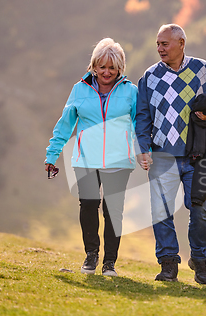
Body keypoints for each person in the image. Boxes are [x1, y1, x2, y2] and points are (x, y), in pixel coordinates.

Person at [135, 24, 206, 284]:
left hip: (197, 155)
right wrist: (144, 148)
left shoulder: (202, 70)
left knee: (201, 210)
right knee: (160, 212)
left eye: (165, 44)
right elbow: (142, 117)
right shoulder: (150, 76)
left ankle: (199, 259)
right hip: (162, 155)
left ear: (181, 43)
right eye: (158, 44)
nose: (160, 48)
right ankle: (168, 263)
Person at [44, 38, 137, 276]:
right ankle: (91, 255)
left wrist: (145, 152)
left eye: (112, 67)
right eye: (102, 66)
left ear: (120, 69)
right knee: (88, 205)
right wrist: (52, 154)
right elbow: (65, 125)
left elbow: (140, 124)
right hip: (85, 159)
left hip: (118, 161)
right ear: (94, 66)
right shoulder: (79, 89)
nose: (106, 72)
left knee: (113, 210)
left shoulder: (131, 92)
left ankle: (110, 263)